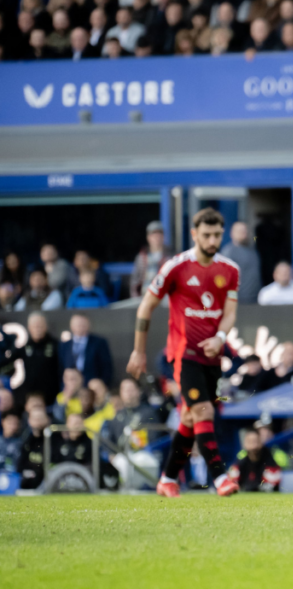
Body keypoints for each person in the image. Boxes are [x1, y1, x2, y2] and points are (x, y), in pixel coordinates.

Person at [127, 208, 241, 498]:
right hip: (183, 354)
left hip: (212, 356)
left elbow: (229, 314)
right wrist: (139, 351)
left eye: (217, 234)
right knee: (205, 411)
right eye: (206, 235)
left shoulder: (230, 270)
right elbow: (145, 307)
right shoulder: (175, 267)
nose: (212, 240)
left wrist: (220, 337)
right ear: (194, 234)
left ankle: (166, 479)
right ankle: (220, 478)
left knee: (191, 419)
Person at [11, 312, 61, 406]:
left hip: (53, 396)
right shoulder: (25, 347)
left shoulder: (56, 345)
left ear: (46, 327)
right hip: (31, 397)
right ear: (29, 328)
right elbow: (7, 362)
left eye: (40, 325)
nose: (38, 329)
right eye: (35, 326)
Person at [58, 315, 113, 387]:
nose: (80, 326)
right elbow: (60, 368)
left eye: (83, 324)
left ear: (88, 325)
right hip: (69, 388)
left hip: (92, 387)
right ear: (71, 326)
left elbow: (106, 366)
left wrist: (102, 385)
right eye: (78, 324)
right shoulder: (64, 345)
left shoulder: (99, 343)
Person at [219, 221, 262, 303]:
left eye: (245, 230)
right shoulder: (228, 252)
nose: (243, 233)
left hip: (255, 299)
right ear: (232, 233)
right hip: (239, 301)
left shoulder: (252, 250)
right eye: (240, 231)